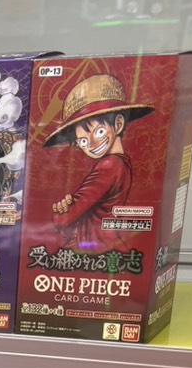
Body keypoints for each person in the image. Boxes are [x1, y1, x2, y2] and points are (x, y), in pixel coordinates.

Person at [43, 72, 154, 250]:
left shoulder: (110, 165)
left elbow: (66, 219)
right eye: (83, 141)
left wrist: (60, 213)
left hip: (92, 248)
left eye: (99, 132)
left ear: (118, 124)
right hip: (101, 245)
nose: (92, 145)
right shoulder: (120, 163)